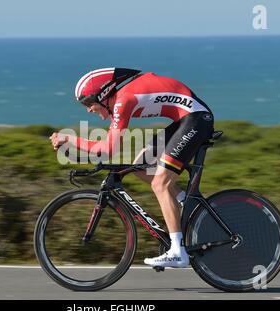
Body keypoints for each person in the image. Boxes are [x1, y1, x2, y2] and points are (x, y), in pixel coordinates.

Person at [50, 68, 214, 268]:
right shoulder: (122, 99)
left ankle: (178, 251)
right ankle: (185, 203)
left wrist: (68, 138)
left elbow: (107, 149)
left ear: (103, 94)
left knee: (160, 184)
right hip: (186, 120)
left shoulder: (123, 100)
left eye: (88, 102)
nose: (88, 109)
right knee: (139, 166)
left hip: (195, 120)